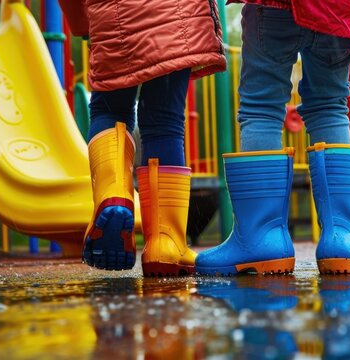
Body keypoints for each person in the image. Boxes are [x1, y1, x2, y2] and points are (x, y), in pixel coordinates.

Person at [195, 0, 350, 276]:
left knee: (261, 107)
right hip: (338, 8)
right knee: (331, 106)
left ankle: (261, 240)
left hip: (274, 6)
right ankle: (345, 239)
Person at [58, 0, 226, 276]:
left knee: (110, 110)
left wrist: (82, 25)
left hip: (114, 17)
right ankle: (166, 243)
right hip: (180, 17)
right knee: (165, 122)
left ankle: (113, 194)